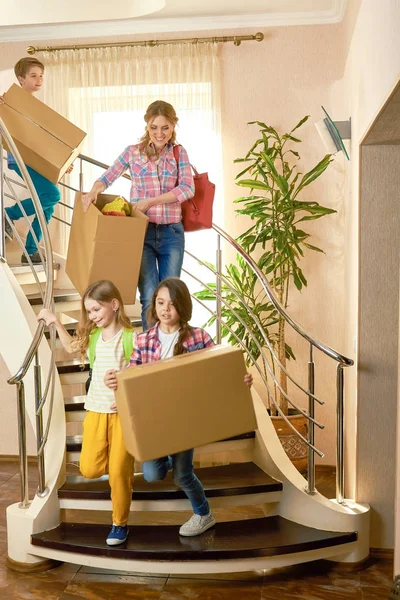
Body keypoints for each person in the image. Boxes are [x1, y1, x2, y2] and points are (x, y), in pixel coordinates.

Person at [105, 277, 253, 537]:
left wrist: (240, 379)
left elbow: (219, 369)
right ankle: (170, 454)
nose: (165, 309)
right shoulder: (144, 340)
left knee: (182, 475)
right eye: (160, 303)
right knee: (151, 474)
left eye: (172, 304)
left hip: (185, 421)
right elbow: (130, 375)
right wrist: (115, 382)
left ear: (183, 307)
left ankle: (204, 513)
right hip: (155, 419)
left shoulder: (199, 337)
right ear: (154, 305)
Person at [38, 280, 135, 546]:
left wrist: (125, 378)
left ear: (114, 305)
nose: (92, 316)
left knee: (117, 472)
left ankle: (119, 523)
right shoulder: (93, 337)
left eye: (96, 309)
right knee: (89, 468)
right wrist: (55, 321)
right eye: (89, 311)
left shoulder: (130, 337)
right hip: (95, 411)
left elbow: (143, 370)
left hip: (122, 415)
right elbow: (71, 347)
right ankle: (121, 467)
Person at [82, 100, 194, 330]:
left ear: (173, 126)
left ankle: (171, 352)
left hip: (172, 232)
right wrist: (94, 189)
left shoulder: (178, 152)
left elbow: (187, 188)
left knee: (171, 298)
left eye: (165, 127)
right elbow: (108, 176)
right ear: (147, 126)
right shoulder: (133, 152)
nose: (159, 133)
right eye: (154, 127)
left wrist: (151, 201)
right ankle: (151, 355)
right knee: (149, 297)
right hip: (140, 233)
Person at [2, 57, 68, 264]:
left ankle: (30, 250)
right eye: (33, 76)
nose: (39, 80)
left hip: (38, 158)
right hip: (21, 158)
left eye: (41, 76)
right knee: (51, 194)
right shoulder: (9, 100)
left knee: (47, 207)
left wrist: (63, 161)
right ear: (21, 79)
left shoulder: (37, 106)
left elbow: (45, 139)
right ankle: (8, 214)